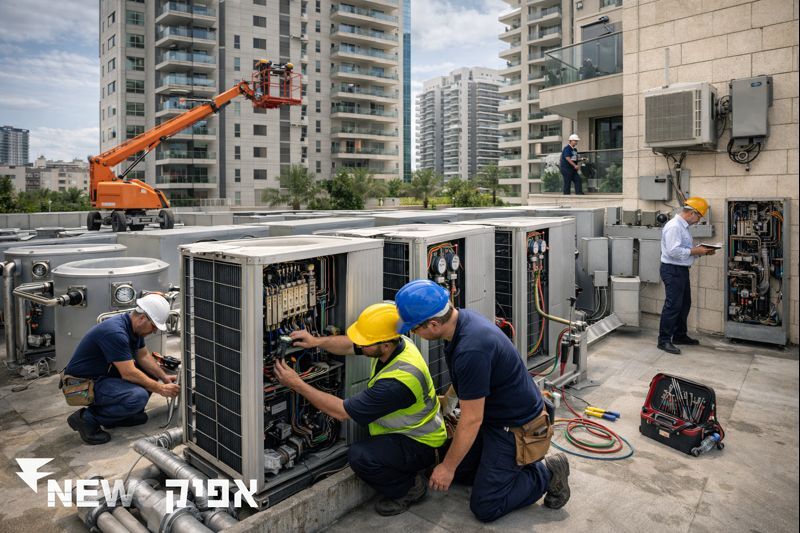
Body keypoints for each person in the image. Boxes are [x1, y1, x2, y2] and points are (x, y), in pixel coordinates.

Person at [394, 279, 570, 523]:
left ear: (433, 324)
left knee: (486, 505)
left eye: (415, 329)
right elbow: (468, 381)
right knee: (463, 473)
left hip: (514, 429)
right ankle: (509, 469)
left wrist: (447, 467)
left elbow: (472, 420)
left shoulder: (471, 349)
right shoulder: (462, 322)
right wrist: (449, 401)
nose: (414, 334)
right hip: (495, 418)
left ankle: (546, 473)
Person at [273, 303, 447, 517]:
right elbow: (350, 345)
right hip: (407, 432)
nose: (360, 346)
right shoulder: (397, 342)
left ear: (384, 345)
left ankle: (409, 488)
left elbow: (341, 412)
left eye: (366, 342)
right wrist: (316, 342)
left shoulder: (398, 382)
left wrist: (297, 383)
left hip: (421, 442)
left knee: (361, 457)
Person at [63, 294, 180, 445]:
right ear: (142, 318)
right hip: (82, 384)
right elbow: (128, 373)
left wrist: (164, 378)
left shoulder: (133, 329)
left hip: (102, 377)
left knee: (150, 373)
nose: (154, 331)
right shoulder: (115, 332)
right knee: (137, 397)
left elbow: (143, 356)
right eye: (154, 326)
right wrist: (160, 389)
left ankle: (122, 415)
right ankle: (86, 419)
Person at [658, 197, 716, 354]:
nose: (698, 221)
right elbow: (673, 251)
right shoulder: (674, 227)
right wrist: (696, 251)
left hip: (680, 270)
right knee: (673, 305)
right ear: (692, 213)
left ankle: (679, 335)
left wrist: (701, 253)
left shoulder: (683, 227)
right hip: (672, 270)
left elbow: (683, 251)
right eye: (699, 217)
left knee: (684, 304)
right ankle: (663, 340)